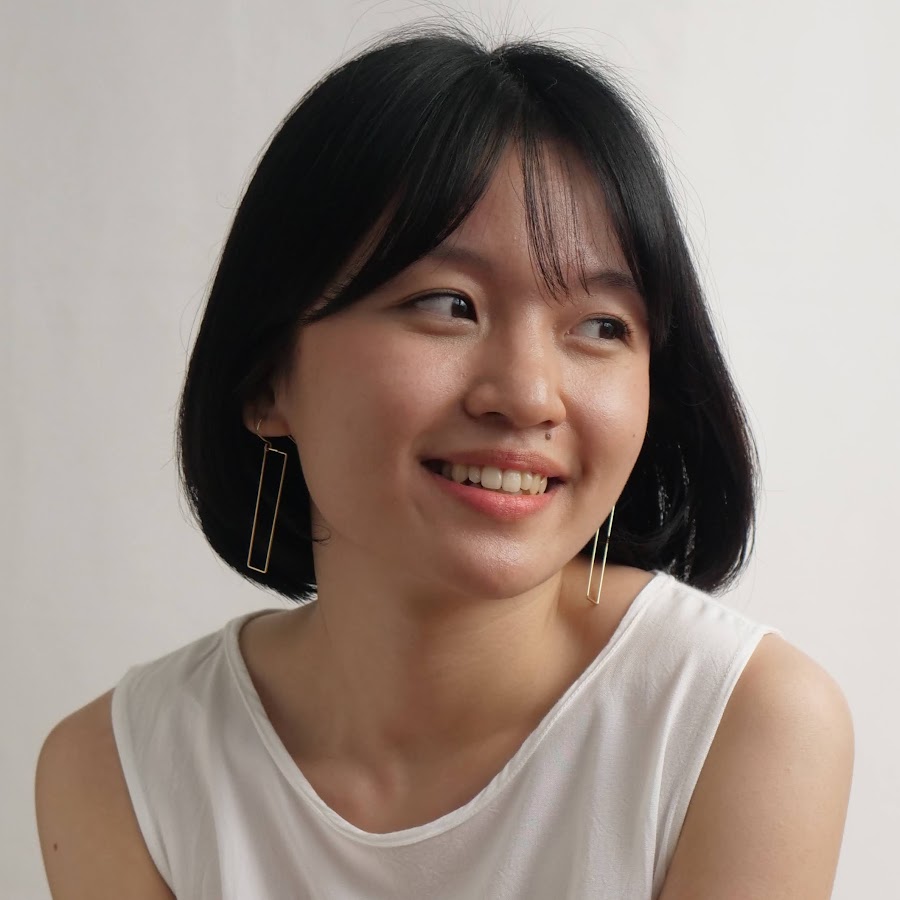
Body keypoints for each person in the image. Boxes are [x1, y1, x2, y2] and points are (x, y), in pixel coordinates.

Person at [35, 23, 853, 899]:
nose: (528, 396)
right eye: (447, 304)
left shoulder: (739, 724)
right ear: (267, 377)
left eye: (601, 326)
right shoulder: (119, 772)